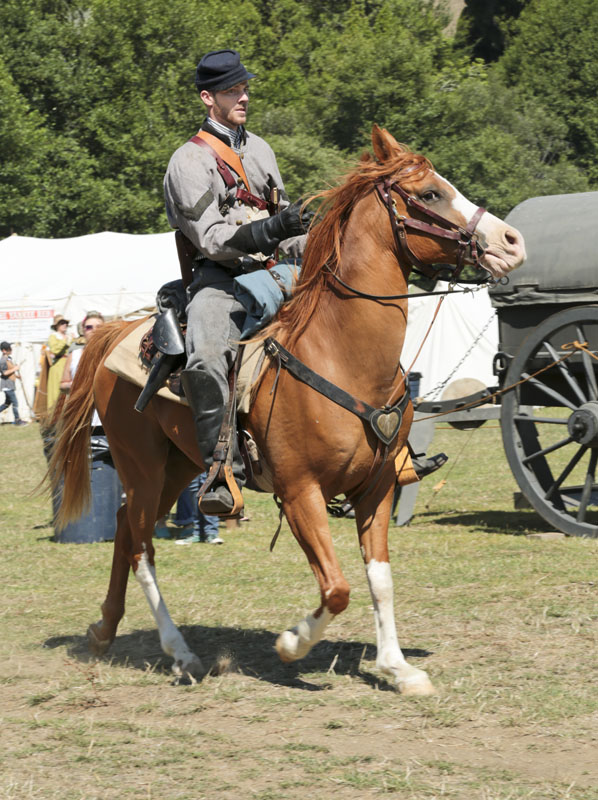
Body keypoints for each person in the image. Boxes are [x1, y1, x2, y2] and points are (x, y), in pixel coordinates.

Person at [164, 49, 311, 515]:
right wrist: (272, 229)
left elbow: (287, 226)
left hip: (275, 272)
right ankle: (219, 472)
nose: (243, 97)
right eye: (232, 90)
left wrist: (319, 247)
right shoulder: (188, 161)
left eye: (244, 88)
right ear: (209, 98)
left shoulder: (262, 150)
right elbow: (210, 239)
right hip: (220, 281)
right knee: (206, 356)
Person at [46, 314, 72, 411]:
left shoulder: (69, 337)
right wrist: (65, 341)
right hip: (58, 365)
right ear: (57, 325)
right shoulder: (53, 336)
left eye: (65, 323)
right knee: (56, 392)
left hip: (69, 364)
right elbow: (55, 350)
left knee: (69, 390)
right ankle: (52, 416)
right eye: (62, 323)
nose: (64, 325)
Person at [0, 341, 27, 425]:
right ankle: (17, 420)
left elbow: (10, 371)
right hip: (6, 385)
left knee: (7, 404)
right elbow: (4, 373)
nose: (11, 349)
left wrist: (17, 376)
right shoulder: (2, 360)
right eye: (9, 348)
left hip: (10, 384)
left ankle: (17, 420)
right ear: (4, 350)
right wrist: (15, 368)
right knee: (15, 402)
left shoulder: (9, 358)